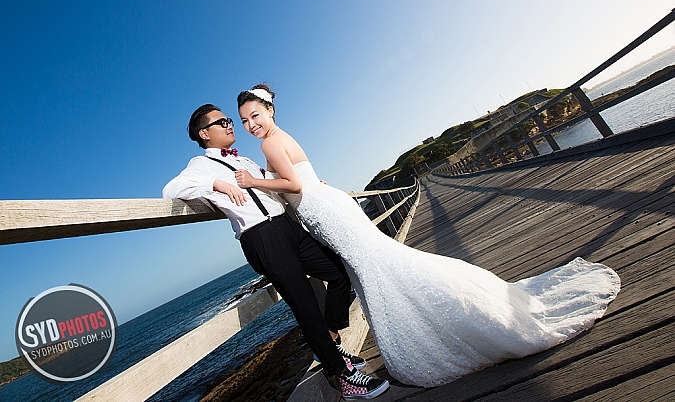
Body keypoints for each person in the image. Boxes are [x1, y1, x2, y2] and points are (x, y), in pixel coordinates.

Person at [233, 84, 622, 388]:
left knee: (376, 268)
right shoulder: (280, 137)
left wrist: (253, 181)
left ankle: (430, 333)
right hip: (330, 209)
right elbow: (301, 179)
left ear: (270, 110)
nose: (251, 125)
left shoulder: (270, 142)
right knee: (378, 266)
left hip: (326, 214)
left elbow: (293, 185)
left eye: (255, 115)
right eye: (245, 121)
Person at [162, 104, 390, 400]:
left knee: (338, 271)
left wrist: (312, 187)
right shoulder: (200, 165)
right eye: (222, 122)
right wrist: (215, 183)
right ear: (204, 133)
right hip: (262, 237)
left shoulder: (244, 159)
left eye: (230, 120)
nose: (230, 124)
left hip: (288, 226)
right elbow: (171, 190)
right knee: (305, 304)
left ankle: (330, 341)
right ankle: (342, 375)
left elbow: (276, 186)